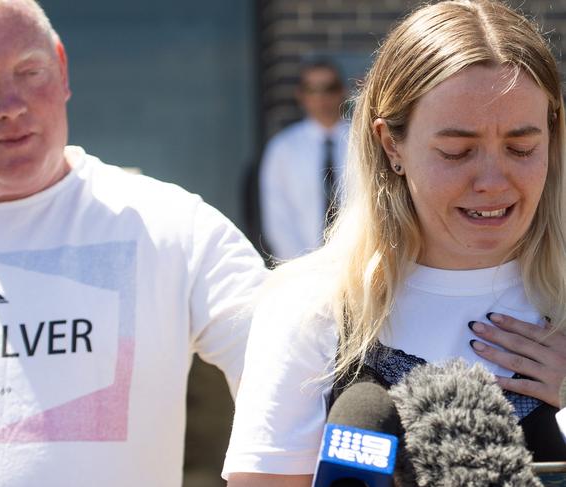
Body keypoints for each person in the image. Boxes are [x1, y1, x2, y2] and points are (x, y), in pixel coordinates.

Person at [0, 1, 267, 486]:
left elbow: (294, 378)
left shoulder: (171, 228)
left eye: (30, 71)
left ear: (61, 70)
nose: (11, 104)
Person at [224, 1, 566, 485]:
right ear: (391, 145)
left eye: (521, 147)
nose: (493, 180)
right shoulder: (309, 307)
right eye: (457, 151)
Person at [259, 60, 349, 261]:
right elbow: (278, 217)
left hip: (358, 265)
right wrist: (303, 268)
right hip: (303, 267)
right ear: (301, 95)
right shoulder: (283, 148)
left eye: (329, 88)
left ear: (342, 90)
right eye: (312, 89)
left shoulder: (363, 142)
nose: (321, 97)